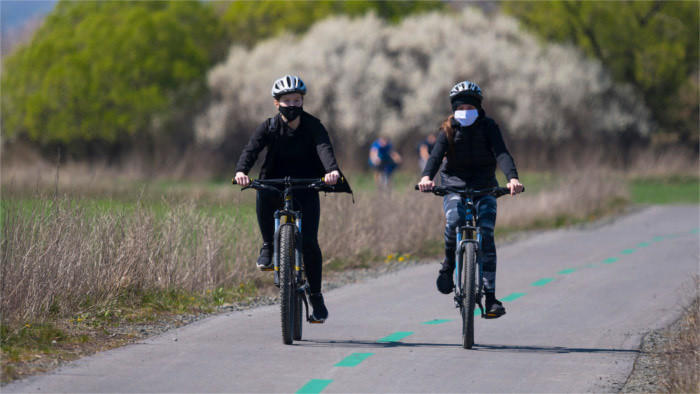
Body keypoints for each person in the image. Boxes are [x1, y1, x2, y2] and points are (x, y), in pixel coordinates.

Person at [234, 75, 351, 323]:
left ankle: (316, 296)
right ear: (277, 103)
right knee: (263, 193)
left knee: (309, 243)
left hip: (306, 183)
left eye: (297, 100)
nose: (292, 105)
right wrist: (241, 172)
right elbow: (251, 149)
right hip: (274, 181)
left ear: (303, 101)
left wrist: (332, 172)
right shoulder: (268, 127)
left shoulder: (313, 125)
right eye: (286, 101)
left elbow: (324, 148)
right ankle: (268, 245)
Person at [417, 81, 524, 319]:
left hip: (485, 186)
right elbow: (435, 156)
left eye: (469, 105)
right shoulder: (447, 129)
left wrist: (512, 179)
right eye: (461, 105)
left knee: (486, 233)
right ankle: (448, 264)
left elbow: (502, 153)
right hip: (454, 185)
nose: (465, 110)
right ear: (454, 107)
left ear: (478, 106)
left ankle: (491, 297)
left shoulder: (489, 126)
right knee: (454, 221)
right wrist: (426, 177)